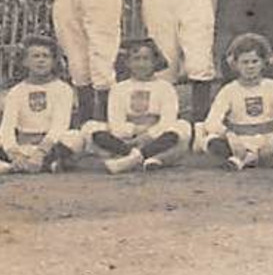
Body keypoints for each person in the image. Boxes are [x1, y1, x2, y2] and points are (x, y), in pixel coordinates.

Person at [0, 36, 83, 174]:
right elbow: (7, 127)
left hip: (50, 147)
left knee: (75, 137)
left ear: (54, 62)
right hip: (22, 146)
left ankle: (10, 167)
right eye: (35, 56)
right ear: (25, 61)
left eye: (46, 56)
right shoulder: (16, 91)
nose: (41, 60)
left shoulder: (63, 89)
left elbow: (60, 125)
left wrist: (41, 152)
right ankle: (42, 166)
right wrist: (14, 153)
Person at [82, 37, 191, 173]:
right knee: (90, 127)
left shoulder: (166, 87)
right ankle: (138, 156)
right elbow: (116, 125)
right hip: (125, 141)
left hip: (156, 139)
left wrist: (148, 135)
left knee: (182, 127)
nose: (141, 64)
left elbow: (167, 121)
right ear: (127, 62)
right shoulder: (118, 88)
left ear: (155, 62)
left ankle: (130, 159)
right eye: (136, 59)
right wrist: (136, 131)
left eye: (146, 59)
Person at [198, 33, 273, 170]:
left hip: (268, 140)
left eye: (255, 61)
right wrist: (229, 135)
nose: (250, 67)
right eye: (245, 62)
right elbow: (212, 122)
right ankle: (250, 157)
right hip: (238, 141)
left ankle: (244, 159)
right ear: (235, 64)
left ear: (263, 63)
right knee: (209, 141)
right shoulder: (229, 90)